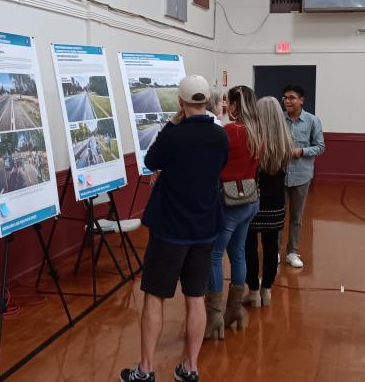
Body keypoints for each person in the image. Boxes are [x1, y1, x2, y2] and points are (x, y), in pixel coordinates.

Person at [121, 75, 228, 382]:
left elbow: (151, 160)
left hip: (170, 230)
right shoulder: (220, 137)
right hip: (205, 228)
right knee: (196, 298)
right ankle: (190, 367)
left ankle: (145, 370)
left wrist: (171, 125)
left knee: (155, 297)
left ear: (181, 103)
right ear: (206, 101)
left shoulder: (173, 134)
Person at [205, 85, 261, 340]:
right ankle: (234, 311)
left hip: (228, 202)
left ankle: (215, 316)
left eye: (230, 102)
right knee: (238, 254)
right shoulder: (257, 132)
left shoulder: (229, 131)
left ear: (237, 105)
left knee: (215, 256)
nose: (227, 106)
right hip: (250, 200)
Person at [243, 96, 293, 308]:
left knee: (249, 247)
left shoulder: (251, 141)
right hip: (276, 202)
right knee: (272, 247)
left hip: (252, 200)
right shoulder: (286, 141)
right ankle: (267, 290)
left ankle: (253, 290)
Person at [281, 85, 325, 268]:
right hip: (280, 175)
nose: (287, 101)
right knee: (278, 216)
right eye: (285, 97)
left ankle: (292, 252)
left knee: (296, 218)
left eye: (291, 97)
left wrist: (301, 151)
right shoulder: (279, 119)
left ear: (301, 100)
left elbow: (320, 146)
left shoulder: (312, 121)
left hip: (301, 176)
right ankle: (274, 251)